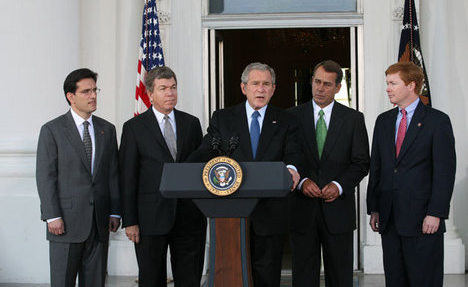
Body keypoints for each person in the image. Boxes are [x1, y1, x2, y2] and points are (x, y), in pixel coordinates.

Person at [189, 62, 301, 287]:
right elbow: (206, 150)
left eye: (266, 84)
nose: (261, 89)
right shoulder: (223, 118)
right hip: (231, 211)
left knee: (268, 275)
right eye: (255, 83)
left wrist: (292, 169)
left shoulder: (287, 119)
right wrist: (185, 170)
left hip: (270, 212)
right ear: (243, 88)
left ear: (273, 89)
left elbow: (294, 153)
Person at [366, 61, 456, 287]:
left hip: (423, 219)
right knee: (395, 280)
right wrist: (374, 208)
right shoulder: (383, 121)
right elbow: (377, 166)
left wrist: (436, 213)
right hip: (389, 217)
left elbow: (444, 172)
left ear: (411, 85)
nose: (387, 88)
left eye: (393, 83)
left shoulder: (437, 121)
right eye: (387, 83)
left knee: (424, 280)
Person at [119, 66, 206, 287]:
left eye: (173, 87)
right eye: (163, 88)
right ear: (149, 94)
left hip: (189, 216)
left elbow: (199, 168)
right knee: (151, 278)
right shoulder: (134, 128)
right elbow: (127, 176)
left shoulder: (192, 123)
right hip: (150, 218)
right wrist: (130, 221)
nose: (170, 93)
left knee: (189, 278)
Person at [288, 60, 370, 287]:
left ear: (338, 87)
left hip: (338, 212)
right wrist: (301, 181)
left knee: (341, 277)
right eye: (316, 82)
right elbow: (285, 159)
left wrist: (340, 185)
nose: (320, 88)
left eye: (326, 84)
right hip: (302, 211)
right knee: (303, 277)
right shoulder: (291, 117)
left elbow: (361, 162)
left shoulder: (354, 119)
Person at [36, 68, 120, 287]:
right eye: (86, 91)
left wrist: (114, 210)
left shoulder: (107, 130)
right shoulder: (52, 130)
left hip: (99, 223)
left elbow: (112, 173)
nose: (93, 96)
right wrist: (52, 215)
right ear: (70, 97)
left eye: (95, 90)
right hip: (65, 223)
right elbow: (46, 176)